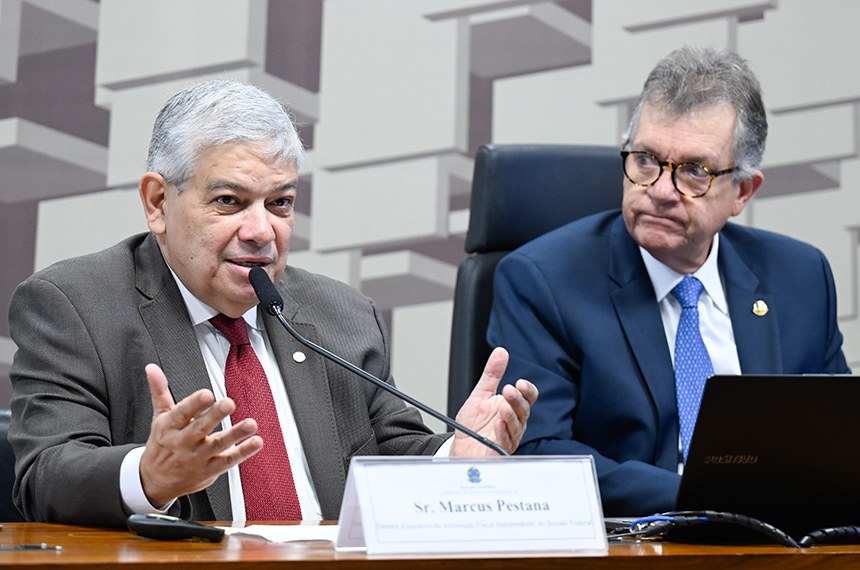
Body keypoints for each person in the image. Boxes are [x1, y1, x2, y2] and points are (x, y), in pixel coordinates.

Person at [8, 79, 538, 527]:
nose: (262, 231)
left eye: (280, 203)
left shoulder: (342, 314)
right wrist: (150, 475)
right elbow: (45, 477)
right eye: (229, 202)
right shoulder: (74, 305)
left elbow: (392, 456)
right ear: (157, 203)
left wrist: (454, 460)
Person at [488, 46, 850, 517]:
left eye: (695, 171)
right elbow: (538, 453)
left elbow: (839, 443)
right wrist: (706, 499)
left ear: (743, 191)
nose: (660, 191)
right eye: (646, 160)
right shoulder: (542, 281)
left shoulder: (799, 276)